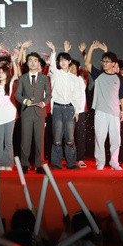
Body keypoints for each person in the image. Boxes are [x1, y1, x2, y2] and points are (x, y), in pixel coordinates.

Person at [85, 41, 123, 171]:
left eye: (107, 61)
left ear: (113, 63)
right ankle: (100, 162)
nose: (104, 63)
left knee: (116, 140)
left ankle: (114, 162)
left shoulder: (119, 78)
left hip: (114, 113)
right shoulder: (98, 75)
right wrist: (91, 48)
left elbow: (122, 96)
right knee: (100, 138)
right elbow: (87, 64)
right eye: (103, 61)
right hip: (101, 112)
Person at [46, 40, 85, 171]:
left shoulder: (75, 78)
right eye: (60, 60)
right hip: (57, 108)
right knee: (57, 138)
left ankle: (71, 163)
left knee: (70, 138)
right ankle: (56, 163)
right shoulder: (55, 73)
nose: (62, 62)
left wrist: (77, 111)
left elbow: (77, 96)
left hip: (70, 109)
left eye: (65, 60)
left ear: (69, 62)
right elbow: (52, 65)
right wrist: (53, 51)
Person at [14, 42, 50, 173]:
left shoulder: (44, 78)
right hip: (26, 112)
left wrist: (44, 103)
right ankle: (24, 164)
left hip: (40, 112)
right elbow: (17, 94)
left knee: (39, 140)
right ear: (27, 63)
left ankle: (39, 164)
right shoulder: (22, 78)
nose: (33, 63)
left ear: (39, 63)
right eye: (30, 60)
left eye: (35, 60)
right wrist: (25, 101)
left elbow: (49, 95)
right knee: (25, 139)